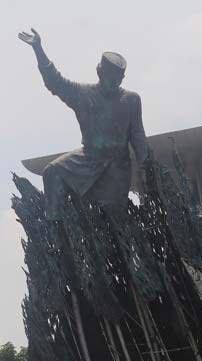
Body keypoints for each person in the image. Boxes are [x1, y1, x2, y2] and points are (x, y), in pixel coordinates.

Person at [19, 28, 150, 219]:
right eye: (109, 78)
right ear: (99, 72)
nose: (113, 84)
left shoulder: (131, 100)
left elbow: (138, 135)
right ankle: (57, 231)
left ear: (122, 78)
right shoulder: (83, 94)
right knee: (52, 172)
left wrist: (147, 168)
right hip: (88, 158)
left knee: (112, 217)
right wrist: (38, 49)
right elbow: (55, 83)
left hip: (117, 166)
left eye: (117, 80)